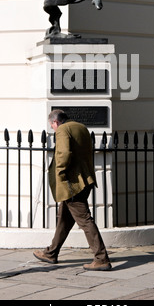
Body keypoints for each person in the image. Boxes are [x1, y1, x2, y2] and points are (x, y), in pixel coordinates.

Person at [33, 109, 112, 271]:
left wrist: (60, 172)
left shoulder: (62, 130)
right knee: (64, 219)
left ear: (55, 122)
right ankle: (51, 253)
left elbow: (64, 153)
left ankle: (101, 258)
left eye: (52, 126)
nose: (53, 129)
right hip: (86, 179)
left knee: (84, 220)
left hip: (72, 183)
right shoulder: (81, 127)